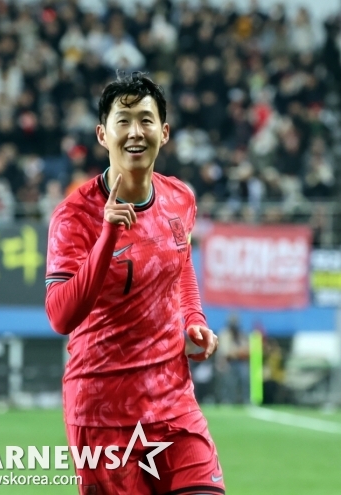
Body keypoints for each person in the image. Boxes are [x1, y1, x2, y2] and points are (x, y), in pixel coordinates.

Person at [45, 72, 223, 495]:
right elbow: (60, 316)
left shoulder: (181, 198)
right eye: (122, 121)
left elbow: (182, 261)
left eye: (146, 120)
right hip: (103, 411)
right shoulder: (73, 217)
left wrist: (194, 318)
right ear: (102, 135)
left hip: (173, 400)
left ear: (164, 132)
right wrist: (107, 236)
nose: (135, 132)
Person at [217, 314, 250, 404]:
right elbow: (225, 352)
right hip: (228, 362)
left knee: (244, 379)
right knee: (229, 382)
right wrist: (237, 352)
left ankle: (246, 400)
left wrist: (238, 352)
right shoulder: (224, 334)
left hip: (241, 362)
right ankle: (228, 400)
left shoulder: (241, 334)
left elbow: (246, 349)